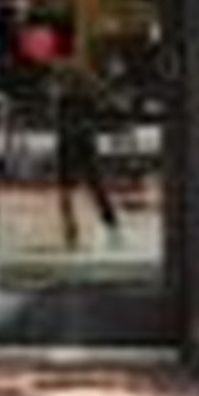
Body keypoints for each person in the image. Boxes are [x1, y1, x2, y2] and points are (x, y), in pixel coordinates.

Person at [49, 50, 121, 252]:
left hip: (77, 139)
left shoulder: (76, 91)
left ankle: (88, 225)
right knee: (84, 186)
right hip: (77, 139)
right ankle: (86, 225)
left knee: (81, 186)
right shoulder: (73, 92)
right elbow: (105, 101)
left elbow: (105, 101)